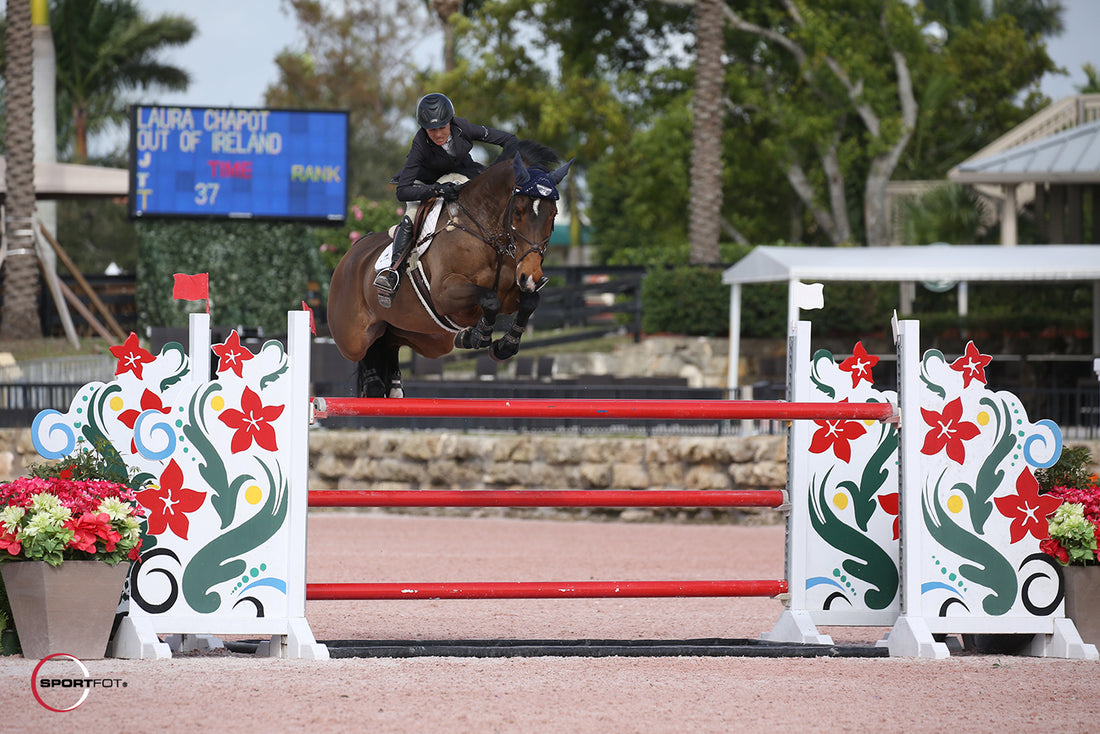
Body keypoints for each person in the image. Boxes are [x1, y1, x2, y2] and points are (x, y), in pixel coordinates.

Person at [374, 93, 519, 307]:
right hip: (426, 183)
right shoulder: (420, 143)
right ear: (424, 129)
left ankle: (518, 260)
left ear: (450, 122)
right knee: (411, 216)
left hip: (461, 175)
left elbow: (510, 140)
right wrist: (436, 191)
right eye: (432, 130)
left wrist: (495, 171)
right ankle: (392, 272)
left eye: (442, 127)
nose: (438, 134)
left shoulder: (464, 128)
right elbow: (402, 191)